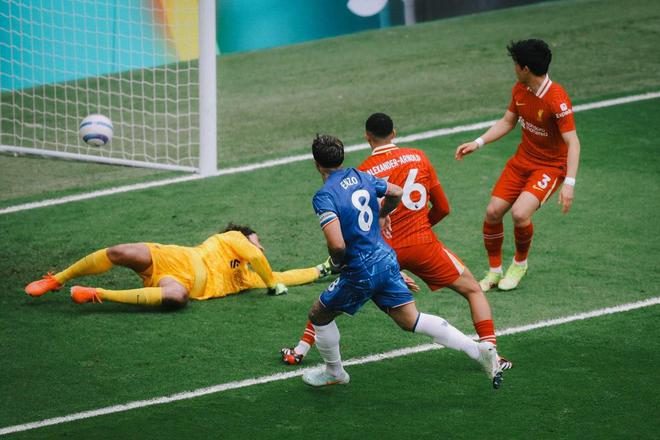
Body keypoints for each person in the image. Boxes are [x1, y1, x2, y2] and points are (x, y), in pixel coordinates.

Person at [282, 113, 512, 370]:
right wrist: (417, 226)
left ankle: (305, 352)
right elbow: (442, 208)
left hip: (379, 249)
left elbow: (349, 233)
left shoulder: (362, 172)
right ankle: (492, 353)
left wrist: (350, 254)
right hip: (420, 245)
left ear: (367, 137)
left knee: (329, 302)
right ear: (394, 133)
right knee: (471, 290)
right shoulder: (417, 157)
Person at [455, 39, 580, 291]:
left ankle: (519, 265)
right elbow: (507, 121)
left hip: (550, 167)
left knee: (520, 213)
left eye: (515, 64)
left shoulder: (557, 99)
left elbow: (573, 141)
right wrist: (478, 142)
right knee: (493, 212)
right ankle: (494, 272)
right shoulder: (520, 89)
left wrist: (569, 183)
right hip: (522, 162)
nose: (513, 68)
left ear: (525, 68)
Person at [24, 223, 331, 307]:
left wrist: (322, 269)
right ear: (243, 237)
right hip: (174, 257)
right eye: (257, 241)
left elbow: (283, 275)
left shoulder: (245, 279)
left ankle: (97, 294)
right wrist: (272, 284)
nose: (260, 246)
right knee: (118, 252)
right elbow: (259, 260)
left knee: (177, 298)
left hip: (179, 283)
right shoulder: (232, 239)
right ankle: (57, 279)